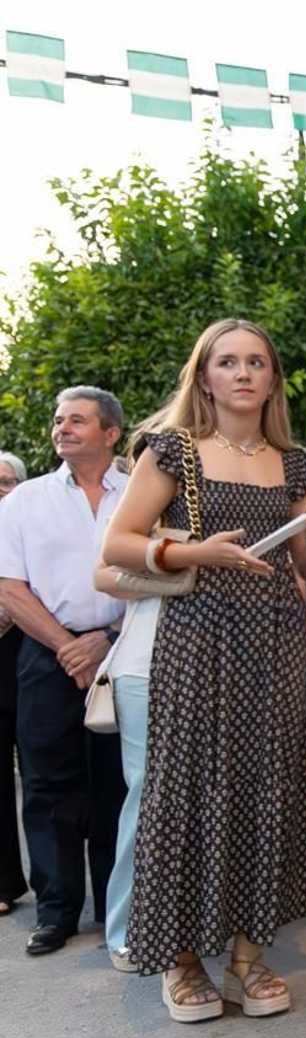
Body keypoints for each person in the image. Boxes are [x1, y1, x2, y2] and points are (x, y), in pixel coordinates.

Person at [102, 318, 306, 1022]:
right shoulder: (172, 451)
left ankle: (244, 958)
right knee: (188, 795)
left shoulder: (295, 462)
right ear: (204, 376)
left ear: (272, 377)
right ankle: (180, 962)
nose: (241, 373)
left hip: (273, 644)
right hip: (196, 641)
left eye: (255, 362)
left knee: (264, 791)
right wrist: (195, 554)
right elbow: (120, 542)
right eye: (226, 361)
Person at [0, 390, 129, 956]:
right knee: (49, 784)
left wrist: (104, 641)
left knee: (116, 784)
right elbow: (9, 586)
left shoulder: (141, 494)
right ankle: (55, 912)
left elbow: (162, 576)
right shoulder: (24, 500)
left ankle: (114, 904)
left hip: (123, 651)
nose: (62, 428)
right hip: (45, 657)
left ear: (111, 433)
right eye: (58, 420)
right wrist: (67, 646)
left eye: (77, 420)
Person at [92, 560, 159, 974]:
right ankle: (126, 930)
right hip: (142, 668)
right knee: (145, 798)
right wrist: (184, 567)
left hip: (215, 667)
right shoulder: (143, 506)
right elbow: (103, 578)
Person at [0, 451, 30, 919]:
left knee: (48, 775)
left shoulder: (26, 525)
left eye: (5, 482)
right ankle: (4, 880)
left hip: (29, 651)